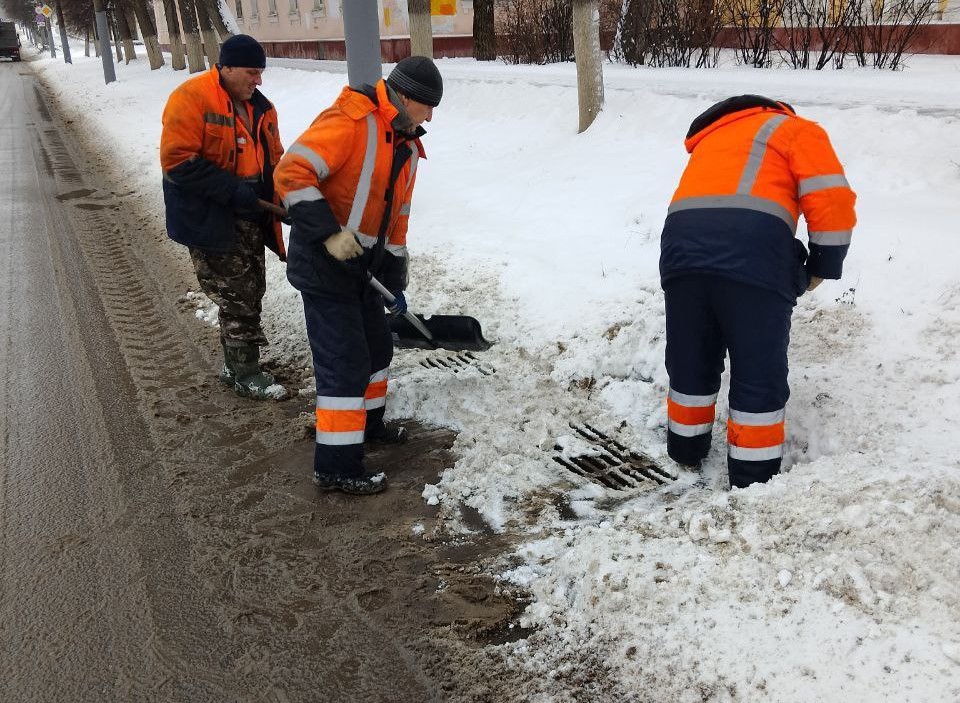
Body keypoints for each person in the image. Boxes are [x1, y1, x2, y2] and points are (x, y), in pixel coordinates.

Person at [659, 95, 856, 489]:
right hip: (753, 255)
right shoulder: (795, 130)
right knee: (756, 367)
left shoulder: (713, 140)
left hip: (680, 250)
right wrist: (821, 265)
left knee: (691, 353)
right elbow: (831, 198)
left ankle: (685, 450)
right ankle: (753, 478)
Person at [273, 56, 443, 495]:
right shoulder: (351, 120)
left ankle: (369, 427)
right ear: (406, 98)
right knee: (344, 364)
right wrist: (328, 233)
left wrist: (394, 274)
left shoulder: (406, 143)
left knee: (377, 349)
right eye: (428, 106)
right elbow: (291, 172)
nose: (431, 116)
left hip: (363, 268)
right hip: (325, 264)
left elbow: (397, 217)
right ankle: (336, 464)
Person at [160, 34, 287, 401]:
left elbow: (273, 159)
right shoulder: (192, 97)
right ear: (226, 67)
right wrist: (232, 190)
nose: (257, 81)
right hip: (210, 216)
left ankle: (234, 365)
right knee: (237, 295)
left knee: (251, 289)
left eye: (260, 73)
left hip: (251, 213)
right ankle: (246, 371)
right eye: (251, 72)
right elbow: (178, 162)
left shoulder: (262, 108)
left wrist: (286, 197)